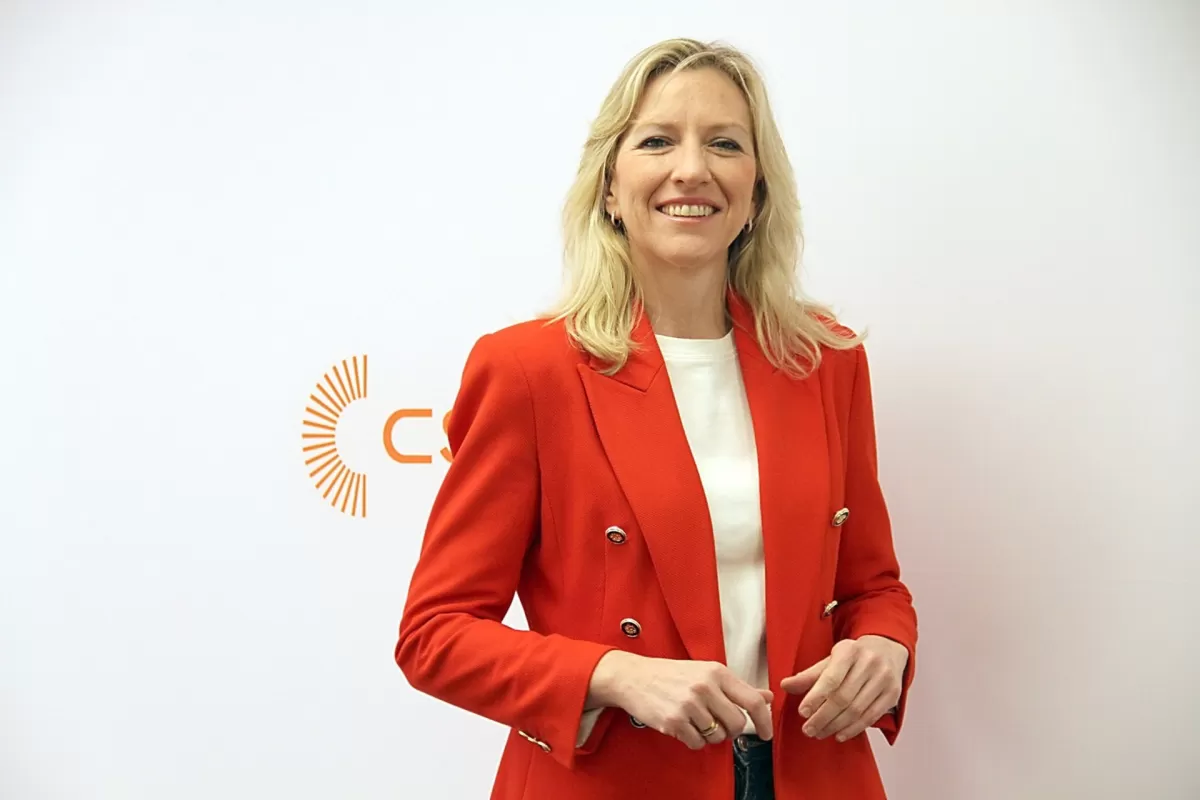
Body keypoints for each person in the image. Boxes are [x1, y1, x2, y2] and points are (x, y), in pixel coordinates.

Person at [394, 37, 917, 800]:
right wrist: (614, 674)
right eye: (657, 141)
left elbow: (873, 586)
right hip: (616, 781)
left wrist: (883, 646)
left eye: (725, 144)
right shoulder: (528, 370)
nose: (692, 169)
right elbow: (433, 635)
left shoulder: (825, 361)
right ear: (610, 187)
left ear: (756, 192)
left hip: (811, 771)